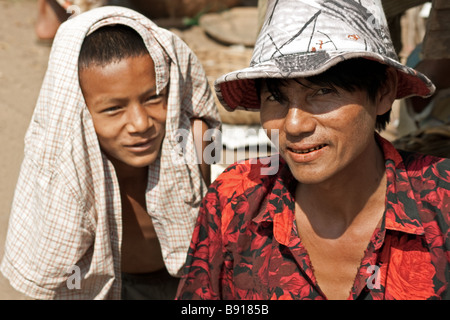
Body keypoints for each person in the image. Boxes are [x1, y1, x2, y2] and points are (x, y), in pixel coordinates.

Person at [176, 0, 449, 300]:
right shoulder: (235, 199)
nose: (293, 125)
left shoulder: (441, 200)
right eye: (276, 97)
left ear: (382, 91)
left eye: (322, 91)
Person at [1, 6, 221, 299]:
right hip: (114, 287)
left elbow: (211, 202)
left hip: (190, 279)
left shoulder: (195, 138)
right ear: (80, 114)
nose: (141, 124)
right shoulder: (72, 167)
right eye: (114, 109)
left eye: (153, 97)